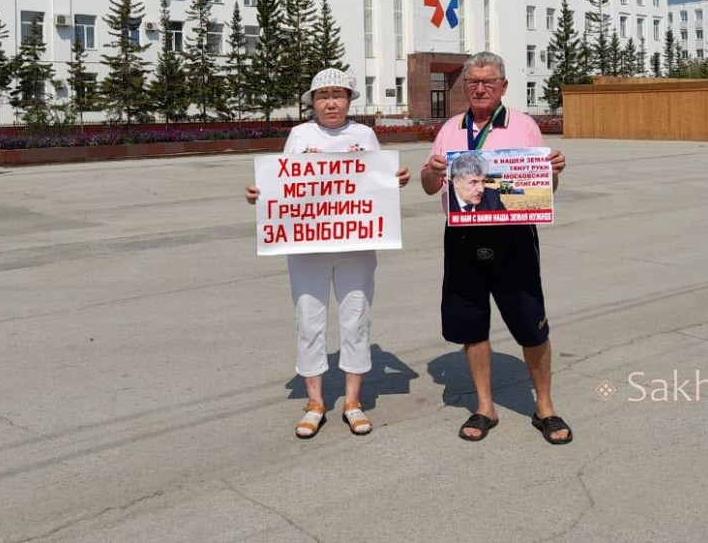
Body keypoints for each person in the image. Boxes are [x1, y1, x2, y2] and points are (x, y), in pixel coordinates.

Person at [245, 68, 411, 439]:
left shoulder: (364, 134)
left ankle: (353, 402)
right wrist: (260, 195)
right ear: (312, 102)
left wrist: (396, 179)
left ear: (350, 99)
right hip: (306, 247)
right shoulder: (300, 135)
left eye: (338, 94)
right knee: (309, 320)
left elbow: (375, 185)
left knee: (356, 318)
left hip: (355, 246)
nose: (331, 102)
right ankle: (315, 403)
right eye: (323, 96)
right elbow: (282, 182)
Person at [420, 51, 571, 444]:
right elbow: (428, 186)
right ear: (465, 87)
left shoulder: (524, 127)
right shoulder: (451, 128)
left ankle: (545, 407)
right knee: (472, 324)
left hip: (514, 236)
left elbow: (543, 191)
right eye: (473, 82)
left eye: (489, 81)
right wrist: (431, 173)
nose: (480, 88)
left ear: (504, 86)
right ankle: (485, 406)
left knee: (530, 323)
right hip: (463, 235)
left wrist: (551, 173)